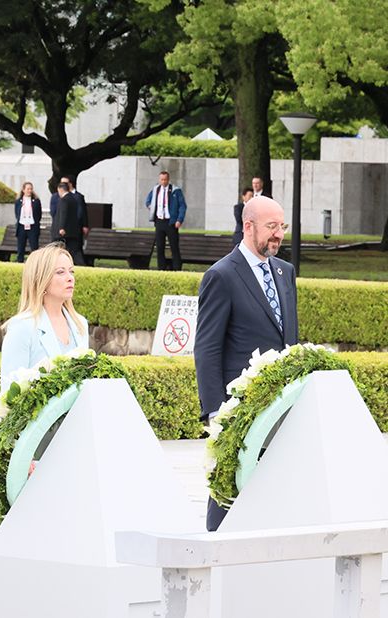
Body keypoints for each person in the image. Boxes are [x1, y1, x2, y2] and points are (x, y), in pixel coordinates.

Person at [195, 195, 299, 531]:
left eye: (281, 226)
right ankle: (216, 546)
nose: (279, 234)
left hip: (281, 406)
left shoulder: (286, 272)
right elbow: (206, 348)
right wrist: (215, 412)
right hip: (237, 410)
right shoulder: (222, 276)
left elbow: (288, 339)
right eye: (272, 226)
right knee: (228, 491)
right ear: (248, 226)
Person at [0, 244, 89, 391]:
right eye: (60, 272)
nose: (70, 278)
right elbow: (10, 390)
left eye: (71, 271)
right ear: (41, 279)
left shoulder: (80, 324)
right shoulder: (22, 327)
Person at [144, 170, 186, 270]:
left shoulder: (176, 190)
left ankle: (177, 268)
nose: (163, 182)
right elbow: (148, 201)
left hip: (171, 222)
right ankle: (161, 268)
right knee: (159, 247)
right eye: (161, 180)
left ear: (168, 179)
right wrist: (152, 208)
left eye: (165, 180)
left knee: (174, 246)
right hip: (159, 221)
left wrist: (179, 219)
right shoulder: (156, 190)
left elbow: (182, 206)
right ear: (159, 180)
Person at [52, 182, 84, 264]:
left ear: (60, 189)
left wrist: (61, 227)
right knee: (74, 250)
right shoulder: (73, 199)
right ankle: (80, 263)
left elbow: (63, 213)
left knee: (60, 249)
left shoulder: (64, 200)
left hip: (65, 231)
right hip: (73, 230)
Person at [14, 181, 42, 263]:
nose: (29, 191)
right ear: (23, 190)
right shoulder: (18, 201)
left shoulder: (36, 201)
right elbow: (17, 213)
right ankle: (20, 261)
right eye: (28, 189)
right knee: (21, 246)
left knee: (34, 246)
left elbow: (38, 214)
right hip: (22, 226)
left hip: (32, 226)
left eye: (31, 189)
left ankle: (35, 263)